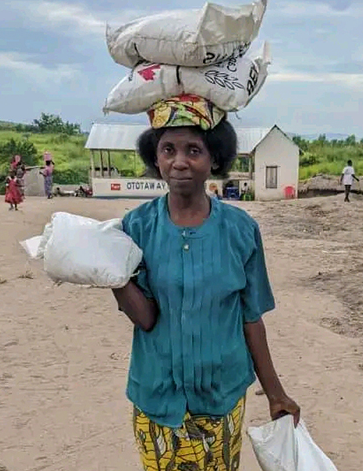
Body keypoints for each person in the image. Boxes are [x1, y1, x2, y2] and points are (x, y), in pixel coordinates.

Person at [112, 95, 300, 471]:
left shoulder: (241, 230)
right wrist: (112, 274)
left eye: (193, 150)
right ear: (156, 157)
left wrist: (275, 393)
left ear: (214, 158)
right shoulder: (136, 228)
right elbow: (146, 319)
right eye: (168, 149)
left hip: (221, 397)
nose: (179, 161)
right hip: (156, 399)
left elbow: (251, 319)